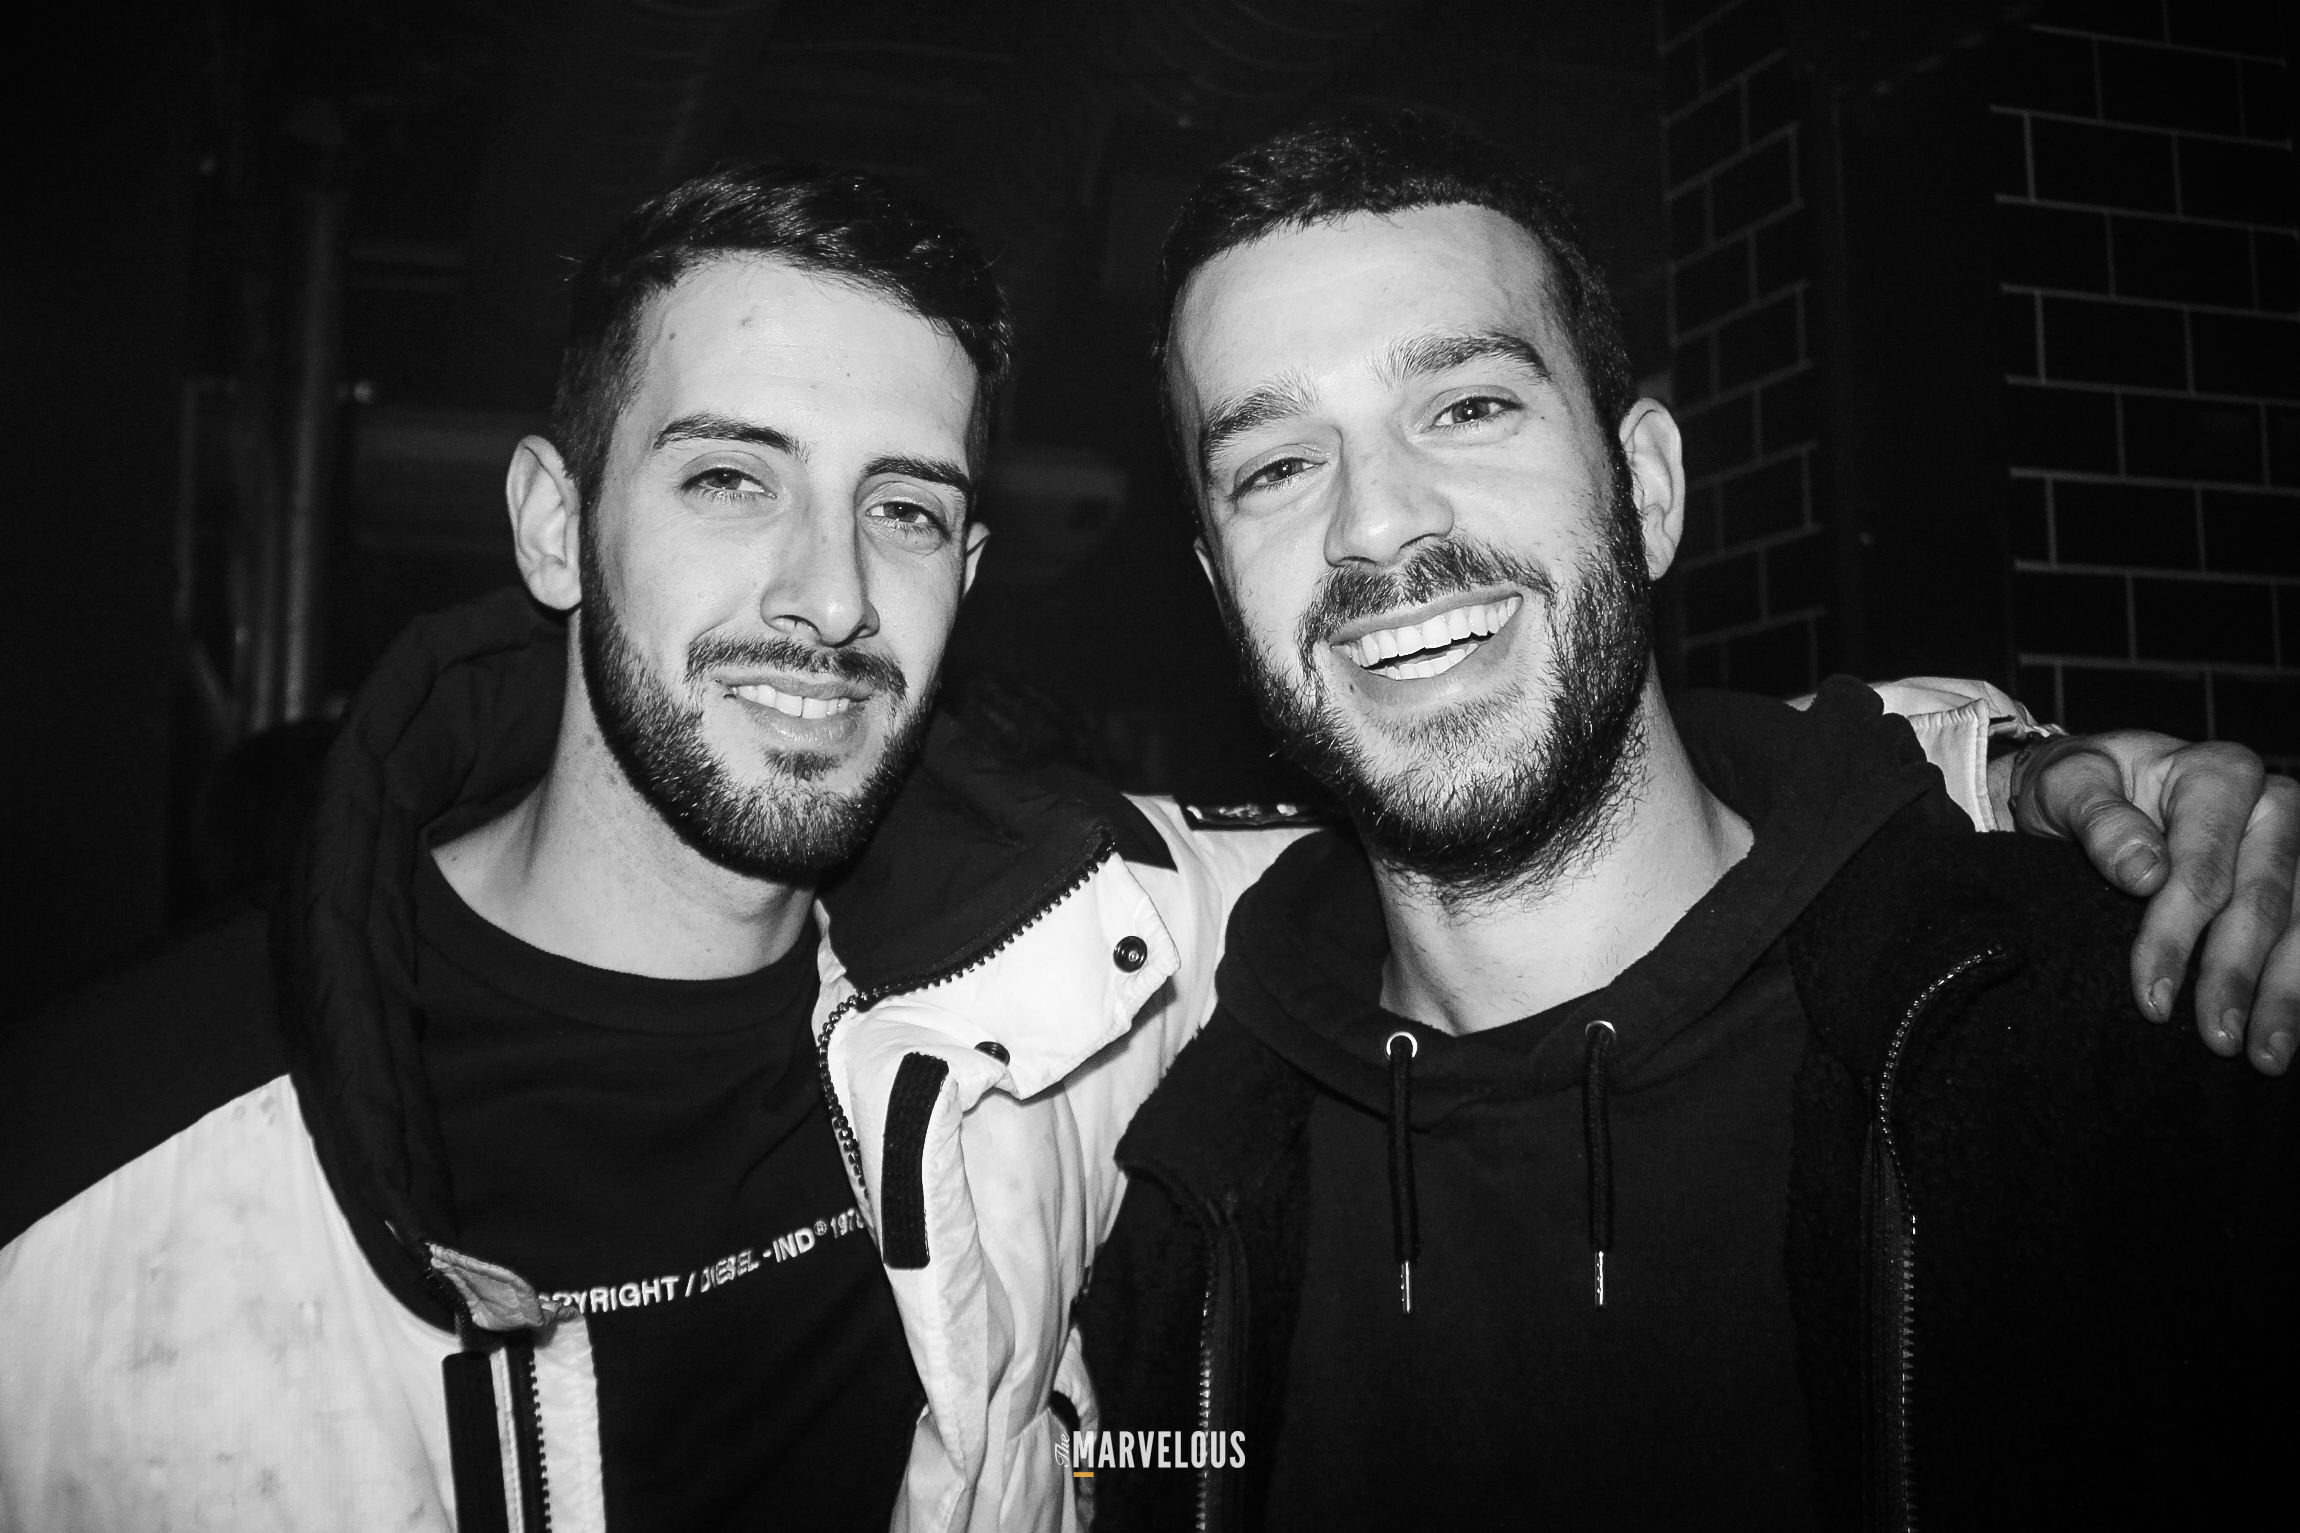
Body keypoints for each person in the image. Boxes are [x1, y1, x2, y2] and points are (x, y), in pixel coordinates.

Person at [0, 163, 2286, 1533]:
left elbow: (1608, 782)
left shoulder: (1081, 971)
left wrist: (2028, 767)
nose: (825, 593)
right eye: (726, 477)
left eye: (908, 507)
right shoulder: (86, 1197)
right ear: (546, 523)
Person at [1075, 110, 2296, 1530]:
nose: (1378, 523)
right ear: (1223, 591)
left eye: (1467, 406)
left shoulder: (2121, 1033)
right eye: (1276, 465)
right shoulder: (1184, 1212)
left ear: (1646, 489)